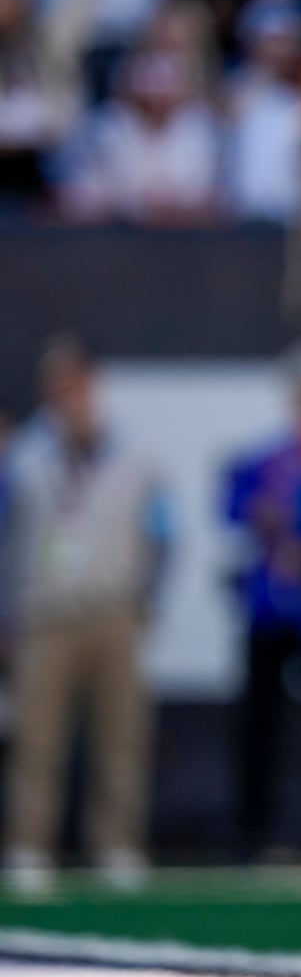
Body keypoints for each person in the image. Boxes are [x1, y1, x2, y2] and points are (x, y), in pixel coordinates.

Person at [0, 335, 172, 895]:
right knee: (38, 738)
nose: (68, 396)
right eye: (58, 386)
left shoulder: (137, 454)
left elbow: (164, 534)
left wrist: (147, 600)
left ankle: (116, 845)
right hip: (46, 614)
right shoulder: (26, 456)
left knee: (121, 737)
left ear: (94, 386)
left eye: (77, 384)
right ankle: (29, 845)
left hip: (113, 610)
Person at [222, 334, 301, 861]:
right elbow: (232, 508)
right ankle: (258, 833)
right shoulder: (266, 459)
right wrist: (261, 516)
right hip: (271, 612)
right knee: (262, 725)